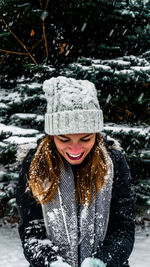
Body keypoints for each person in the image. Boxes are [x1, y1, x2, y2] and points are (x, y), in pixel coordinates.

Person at [16, 76, 135, 267]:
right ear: (52, 136)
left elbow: (123, 228)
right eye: (64, 140)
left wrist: (103, 261)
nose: (75, 150)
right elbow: (32, 231)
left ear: (96, 134)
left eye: (85, 139)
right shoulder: (34, 165)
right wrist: (51, 262)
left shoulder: (114, 162)